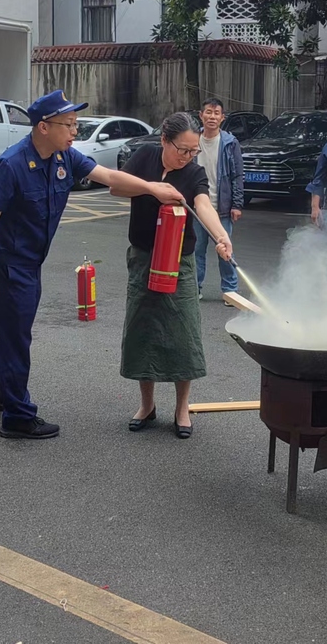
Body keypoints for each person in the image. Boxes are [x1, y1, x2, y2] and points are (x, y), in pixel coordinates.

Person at [0, 90, 183, 440]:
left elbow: (110, 178)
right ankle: (18, 417)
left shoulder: (64, 157)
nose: (74, 132)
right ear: (42, 127)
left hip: (31, 261)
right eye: (68, 125)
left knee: (12, 329)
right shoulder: (11, 165)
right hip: (8, 265)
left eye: (75, 125)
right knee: (17, 336)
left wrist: (151, 188)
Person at [117, 112, 233, 439]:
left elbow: (204, 205)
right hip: (142, 258)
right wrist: (154, 189)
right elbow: (116, 186)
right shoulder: (145, 157)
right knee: (144, 331)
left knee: (183, 334)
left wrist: (221, 236)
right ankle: (147, 405)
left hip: (179, 263)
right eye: (182, 150)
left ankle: (182, 408)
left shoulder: (193, 173)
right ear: (164, 141)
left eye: (193, 151)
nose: (187, 157)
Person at [193, 97, 244, 305]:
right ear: (201, 115)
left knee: (225, 249)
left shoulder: (230, 143)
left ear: (222, 118)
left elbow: (237, 175)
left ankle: (230, 291)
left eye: (216, 113)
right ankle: (194, 289)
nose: (212, 117)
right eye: (208, 112)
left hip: (222, 207)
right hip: (196, 208)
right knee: (196, 251)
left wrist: (237, 204)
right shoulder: (193, 140)